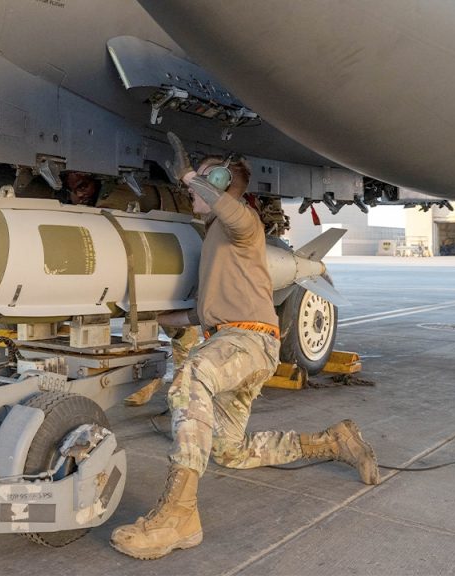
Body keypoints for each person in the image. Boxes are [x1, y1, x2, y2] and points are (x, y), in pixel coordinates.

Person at [110, 133, 381, 560]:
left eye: (203, 180)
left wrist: (188, 175)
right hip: (238, 341)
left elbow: (232, 213)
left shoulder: (243, 224)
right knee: (229, 452)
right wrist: (154, 318)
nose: (190, 189)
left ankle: (179, 516)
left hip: (247, 341)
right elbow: (202, 314)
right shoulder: (217, 240)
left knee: (191, 377)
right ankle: (333, 441)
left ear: (219, 184)